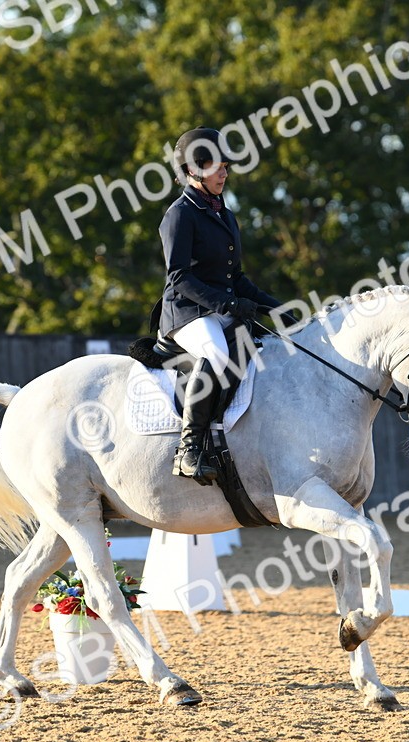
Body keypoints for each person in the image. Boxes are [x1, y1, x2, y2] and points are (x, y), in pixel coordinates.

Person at [156, 126, 285, 483]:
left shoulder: (225, 215)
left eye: (226, 166)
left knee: (263, 349)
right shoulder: (180, 214)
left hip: (218, 308)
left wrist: (275, 308)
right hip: (187, 313)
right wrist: (228, 304)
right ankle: (189, 450)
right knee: (215, 353)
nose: (225, 173)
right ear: (194, 169)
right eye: (218, 167)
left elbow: (237, 278)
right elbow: (178, 276)